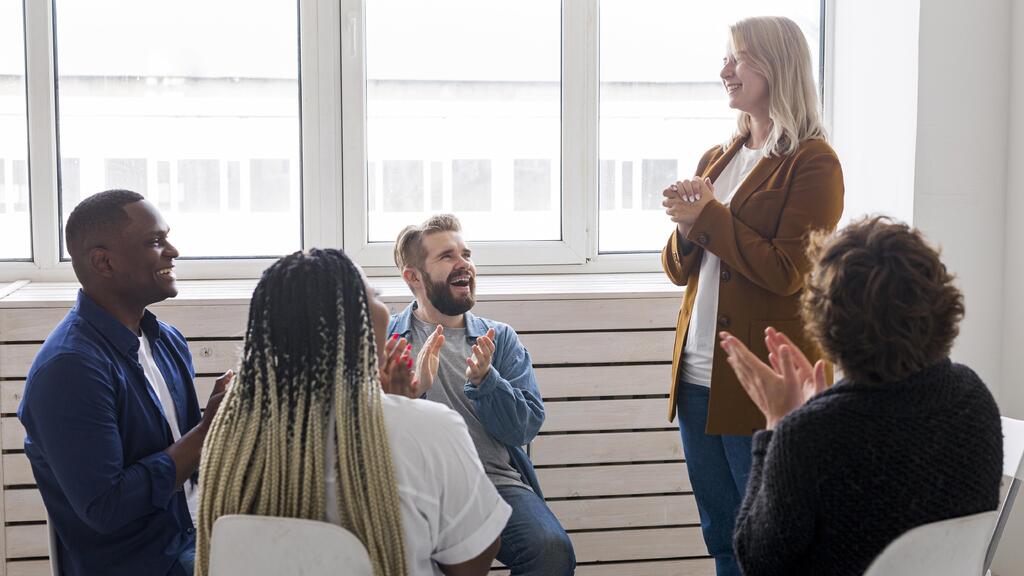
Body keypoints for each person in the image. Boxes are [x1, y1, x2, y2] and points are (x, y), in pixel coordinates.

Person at [659, 16, 844, 576]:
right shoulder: (720, 156)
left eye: (736, 59)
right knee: (723, 536)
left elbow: (790, 271)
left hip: (765, 380)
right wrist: (688, 225)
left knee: (770, 544)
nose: (725, 71)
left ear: (775, 65)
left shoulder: (814, 162)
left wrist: (709, 216)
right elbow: (676, 267)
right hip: (697, 375)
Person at [195, 248, 510, 576]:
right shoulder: (427, 429)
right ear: (352, 323)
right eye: (373, 295)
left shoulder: (229, 437)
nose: (384, 305)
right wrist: (402, 410)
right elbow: (471, 562)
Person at [720, 217, 1003, 576]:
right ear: (941, 301)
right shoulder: (973, 399)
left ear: (827, 321)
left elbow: (757, 562)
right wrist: (815, 414)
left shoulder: (807, 438)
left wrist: (778, 424)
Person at [18, 189, 232, 576]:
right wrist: (205, 432)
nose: (173, 251)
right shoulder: (70, 370)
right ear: (104, 262)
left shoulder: (166, 340)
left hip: (194, 539)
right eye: (154, 241)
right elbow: (108, 506)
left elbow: (184, 466)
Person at [389, 214, 575, 576]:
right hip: (412, 489)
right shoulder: (388, 340)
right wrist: (416, 390)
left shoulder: (499, 338)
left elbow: (524, 430)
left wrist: (487, 381)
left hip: (491, 485)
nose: (464, 265)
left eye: (466, 253)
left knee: (551, 550)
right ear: (413, 277)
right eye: (447, 256)